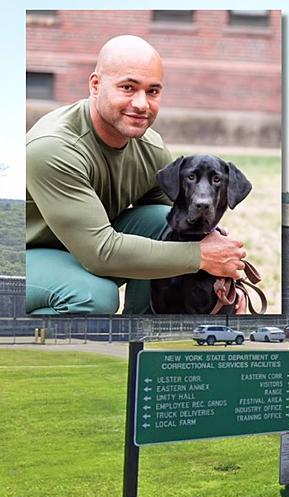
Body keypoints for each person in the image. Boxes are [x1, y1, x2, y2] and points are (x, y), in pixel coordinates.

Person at [26, 35, 246, 315]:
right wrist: (201, 257)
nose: (142, 104)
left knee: (163, 221)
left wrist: (223, 279)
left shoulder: (149, 147)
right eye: (128, 88)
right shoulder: (54, 148)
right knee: (94, 297)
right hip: (25, 257)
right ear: (95, 85)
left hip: (87, 247)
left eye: (152, 91)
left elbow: (180, 225)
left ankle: (141, 334)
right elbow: (99, 253)